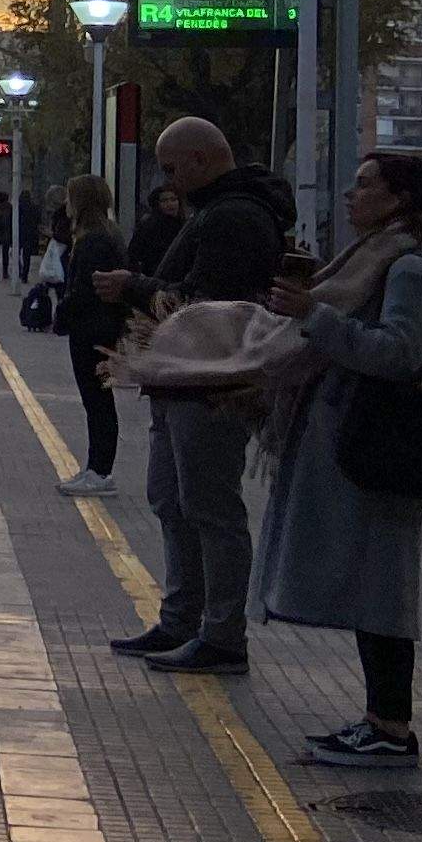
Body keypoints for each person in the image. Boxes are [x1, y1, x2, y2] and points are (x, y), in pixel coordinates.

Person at [254, 150, 422, 766]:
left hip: (378, 447)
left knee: (384, 586)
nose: (350, 194)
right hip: (348, 441)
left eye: (365, 184)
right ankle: (381, 718)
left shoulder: (407, 268)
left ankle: (391, 726)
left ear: (397, 199)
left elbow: (401, 352)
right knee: (374, 584)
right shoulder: (369, 260)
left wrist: (314, 314)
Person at [108, 117, 298, 673]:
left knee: (210, 507)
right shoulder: (219, 210)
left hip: (210, 384)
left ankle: (221, 634)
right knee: (171, 499)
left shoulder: (236, 217)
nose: (169, 182)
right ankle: (181, 619)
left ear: (200, 158)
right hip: (181, 382)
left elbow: (210, 305)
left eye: (172, 168)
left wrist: (135, 288)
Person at [55, 173, 132, 494]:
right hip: (101, 326)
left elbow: (85, 289)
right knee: (97, 400)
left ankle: (100, 471)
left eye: (70, 198)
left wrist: (63, 314)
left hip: (92, 330)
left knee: (97, 400)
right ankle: (95, 467)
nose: (65, 204)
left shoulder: (93, 242)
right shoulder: (107, 235)